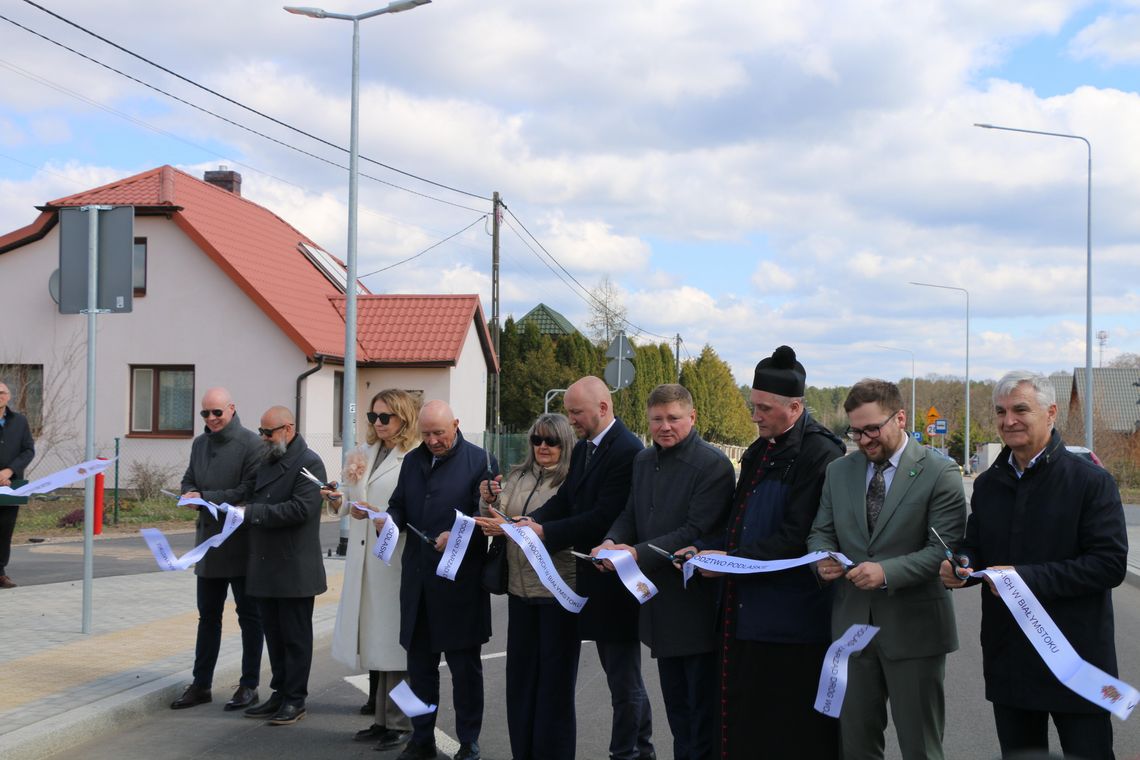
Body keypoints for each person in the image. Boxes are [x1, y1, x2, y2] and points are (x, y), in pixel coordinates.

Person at [940, 370, 1128, 760]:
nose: (1008, 420)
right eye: (1000, 411)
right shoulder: (990, 484)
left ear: (1051, 412)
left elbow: (1109, 565)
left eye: (1020, 409)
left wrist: (1023, 578)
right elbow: (976, 546)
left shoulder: (1090, 481)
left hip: (1075, 659)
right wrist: (961, 566)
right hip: (1010, 659)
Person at [687, 346, 846, 759]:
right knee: (746, 723)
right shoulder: (760, 449)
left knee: (791, 730)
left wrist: (728, 563)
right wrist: (707, 550)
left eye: (763, 408)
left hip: (793, 621)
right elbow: (736, 522)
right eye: (752, 405)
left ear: (795, 407)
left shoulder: (821, 454)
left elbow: (797, 536)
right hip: (744, 612)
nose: (754, 416)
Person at [807, 379, 966, 760]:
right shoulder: (838, 472)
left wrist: (886, 573)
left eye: (872, 429)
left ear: (900, 417)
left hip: (916, 632)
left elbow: (943, 550)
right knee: (857, 746)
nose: (863, 440)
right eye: (856, 431)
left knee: (920, 747)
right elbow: (820, 533)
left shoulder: (940, 472)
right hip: (852, 631)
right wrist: (821, 558)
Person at [597, 383, 734, 760]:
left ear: (692, 417)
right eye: (657, 419)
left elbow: (695, 530)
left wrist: (634, 553)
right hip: (658, 605)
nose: (665, 426)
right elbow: (630, 513)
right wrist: (612, 541)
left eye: (674, 418)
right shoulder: (643, 460)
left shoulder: (713, 465)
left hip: (697, 609)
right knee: (677, 712)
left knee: (700, 715)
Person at [522, 375, 655, 760]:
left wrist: (544, 531)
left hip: (616, 584)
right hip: (593, 581)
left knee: (623, 679)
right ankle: (641, 750)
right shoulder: (584, 450)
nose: (571, 420)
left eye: (576, 412)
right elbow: (566, 501)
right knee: (623, 677)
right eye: (568, 412)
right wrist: (529, 521)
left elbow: (602, 518)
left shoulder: (627, 450)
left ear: (602, 407)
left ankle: (626, 753)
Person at [382, 400, 496, 760]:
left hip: (459, 585)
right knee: (420, 669)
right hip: (417, 584)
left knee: (465, 670)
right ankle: (422, 738)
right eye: (426, 433)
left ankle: (468, 740)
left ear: (456, 425)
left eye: (439, 433)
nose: (431, 440)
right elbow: (399, 504)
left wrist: (456, 534)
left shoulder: (480, 461)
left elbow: (488, 518)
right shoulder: (413, 461)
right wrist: (387, 520)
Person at [474, 413, 577, 760]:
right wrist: (485, 500)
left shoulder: (573, 480)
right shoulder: (517, 476)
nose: (543, 447)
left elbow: (572, 528)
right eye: (537, 440)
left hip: (557, 594)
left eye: (552, 441)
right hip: (519, 593)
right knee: (520, 684)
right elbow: (495, 517)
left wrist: (522, 528)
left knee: (554, 688)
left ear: (566, 443)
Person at [323, 389, 421, 752]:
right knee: (375, 642)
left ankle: (402, 721)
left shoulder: (412, 456)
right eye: (373, 417)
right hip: (365, 560)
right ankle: (381, 720)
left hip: (393, 558)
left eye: (386, 418)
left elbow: (409, 507)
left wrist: (380, 515)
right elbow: (355, 500)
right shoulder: (365, 453)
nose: (378, 424)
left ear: (404, 418)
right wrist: (340, 502)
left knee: (395, 646)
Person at [171, 387, 265, 712]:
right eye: (205, 414)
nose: (211, 419)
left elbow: (248, 489)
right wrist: (190, 492)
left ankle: (249, 684)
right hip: (209, 547)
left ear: (232, 409)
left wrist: (205, 498)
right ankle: (201, 684)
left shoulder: (252, 443)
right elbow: (187, 479)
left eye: (217, 413)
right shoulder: (200, 443)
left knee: (249, 617)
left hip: (239, 542)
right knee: (207, 617)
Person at [241, 406, 327, 727]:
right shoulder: (267, 460)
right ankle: (279, 693)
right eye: (261, 432)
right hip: (266, 565)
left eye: (268, 432)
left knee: (295, 637)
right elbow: (246, 492)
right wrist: (212, 499)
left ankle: (295, 699)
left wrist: (252, 513)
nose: (262, 438)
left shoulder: (310, 463)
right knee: (274, 636)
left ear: (288, 429)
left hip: (294, 567)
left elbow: (300, 509)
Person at [0, 381, 34, 590]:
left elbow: (28, 450)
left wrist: (9, 471)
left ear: (9, 396)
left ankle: (0, 572)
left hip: (11, 485)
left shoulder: (20, 422)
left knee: (4, 531)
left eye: (2, 392)